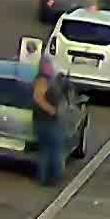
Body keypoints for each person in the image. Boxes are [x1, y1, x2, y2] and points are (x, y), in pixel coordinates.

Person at [28, 54, 74, 187]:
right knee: (54, 150)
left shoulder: (50, 80)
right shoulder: (42, 80)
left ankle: (47, 178)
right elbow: (37, 97)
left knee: (47, 151)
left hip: (45, 122)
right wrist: (51, 110)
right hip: (46, 122)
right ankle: (52, 178)